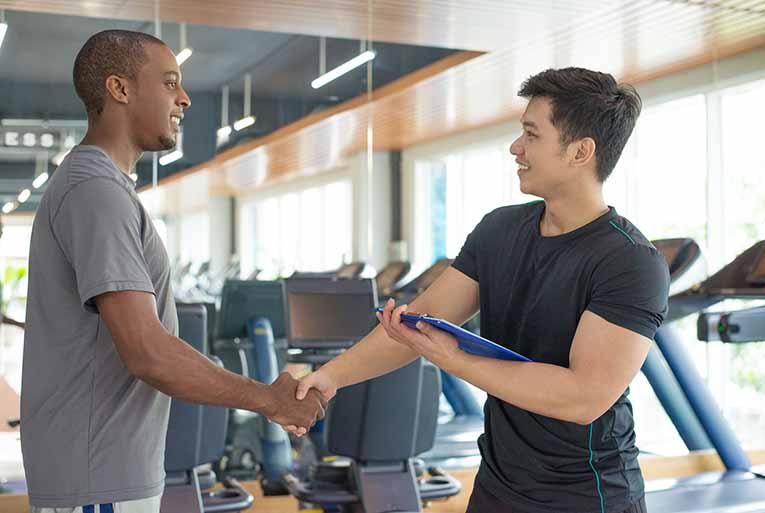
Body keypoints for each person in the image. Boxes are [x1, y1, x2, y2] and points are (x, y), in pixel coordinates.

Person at [295, 68, 670, 513]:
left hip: (585, 494)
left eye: (531, 135)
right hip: (498, 484)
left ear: (580, 151)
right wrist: (331, 377)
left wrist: (453, 358)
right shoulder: (499, 229)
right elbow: (420, 321)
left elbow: (582, 397)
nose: (516, 148)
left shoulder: (630, 261)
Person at [20, 30, 325, 513]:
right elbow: (147, 352)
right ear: (120, 89)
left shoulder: (105, 188)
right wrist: (268, 398)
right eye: (169, 83)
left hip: (106, 472)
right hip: (98, 478)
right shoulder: (95, 192)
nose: (183, 98)